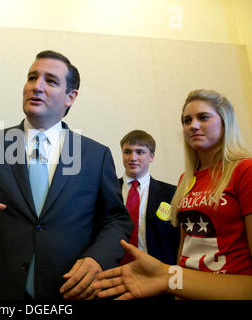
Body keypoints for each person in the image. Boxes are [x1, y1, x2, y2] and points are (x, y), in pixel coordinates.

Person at [0, 50, 133, 300]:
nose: (36, 86)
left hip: (66, 293)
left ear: (71, 96)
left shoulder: (96, 155)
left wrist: (98, 259)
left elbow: (116, 220)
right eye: (31, 77)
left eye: (50, 81)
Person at [94, 89, 252, 300]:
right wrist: (174, 285)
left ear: (225, 122)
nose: (193, 125)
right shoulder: (186, 180)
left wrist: (166, 278)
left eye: (203, 117)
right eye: (187, 120)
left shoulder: (245, 170)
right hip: (182, 288)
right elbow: (184, 248)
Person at [118, 130, 179, 266]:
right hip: (113, 269)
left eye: (140, 152)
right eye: (127, 152)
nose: (133, 158)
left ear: (151, 156)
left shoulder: (171, 193)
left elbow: (177, 239)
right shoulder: (108, 190)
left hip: (156, 270)